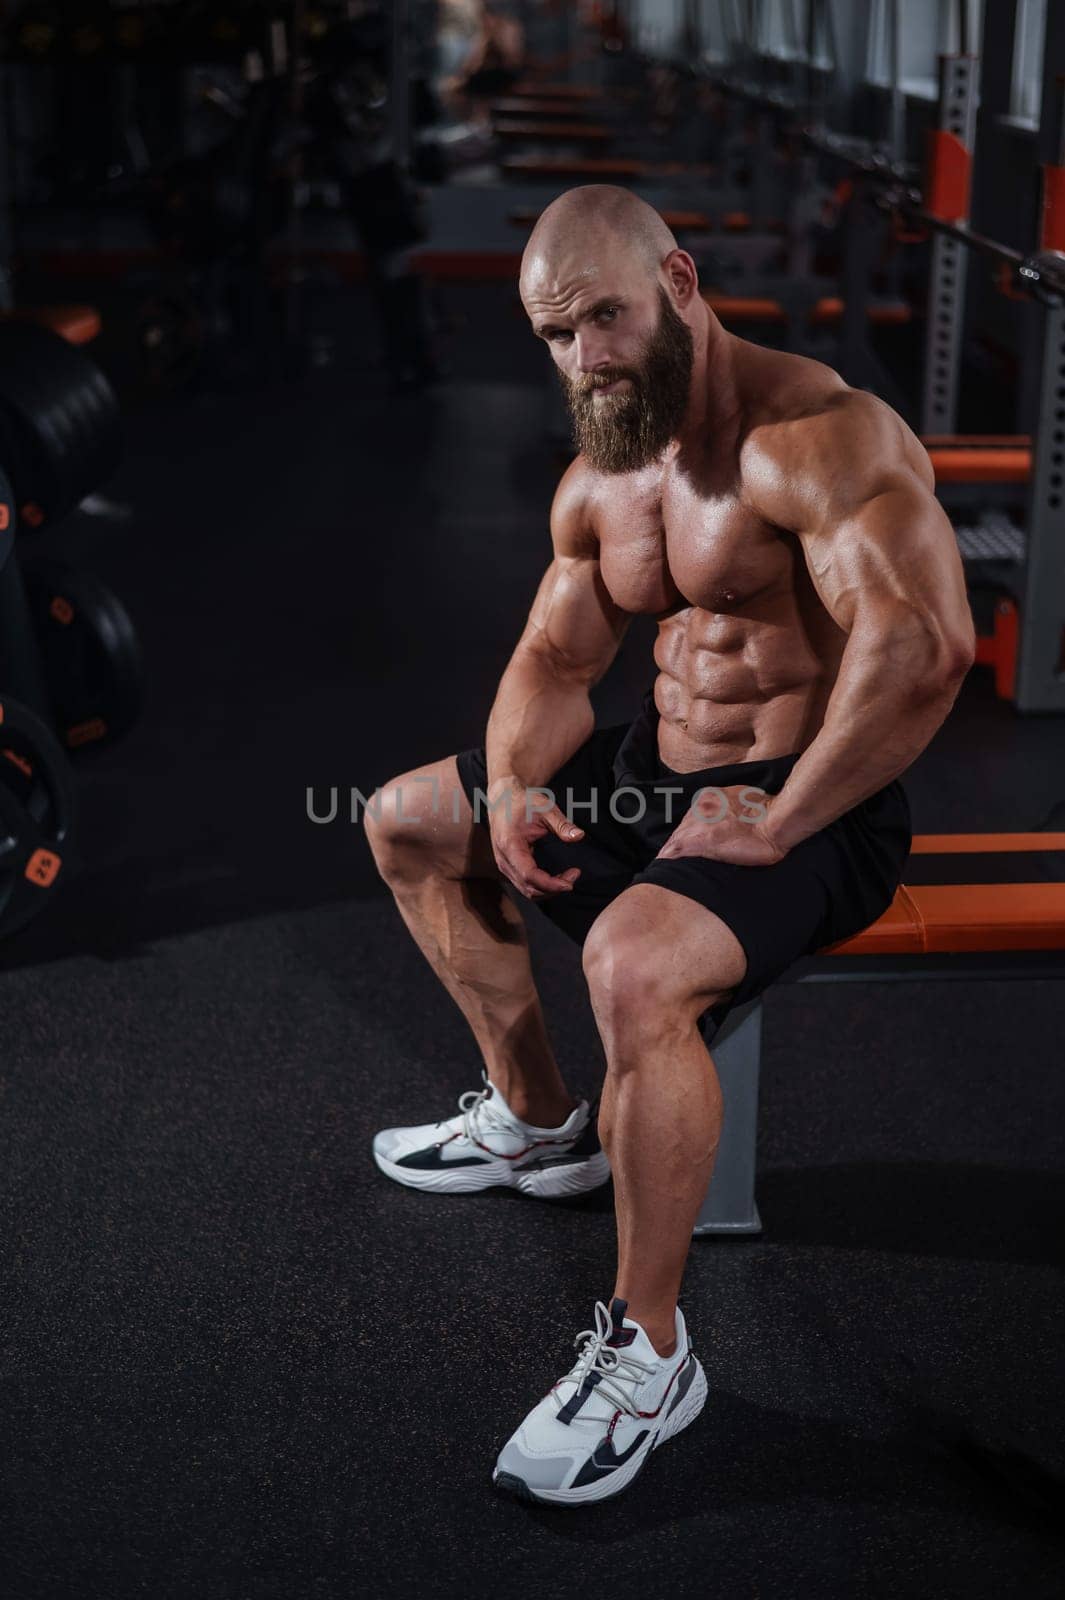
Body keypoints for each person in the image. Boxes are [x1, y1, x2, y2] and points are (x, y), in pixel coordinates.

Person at [365, 184, 975, 1506]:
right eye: (553, 335)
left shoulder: (816, 441)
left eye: (605, 320)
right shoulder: (608, 472)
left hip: (815, 803)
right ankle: (538, 1127)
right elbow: (551, 651)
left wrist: (788, 812)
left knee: (634, 969)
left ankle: (649, 1353)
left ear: (680, 283)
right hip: (659, 781)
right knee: (412, 817)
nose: (584, 359)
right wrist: (522, 787)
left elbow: (922, 648)